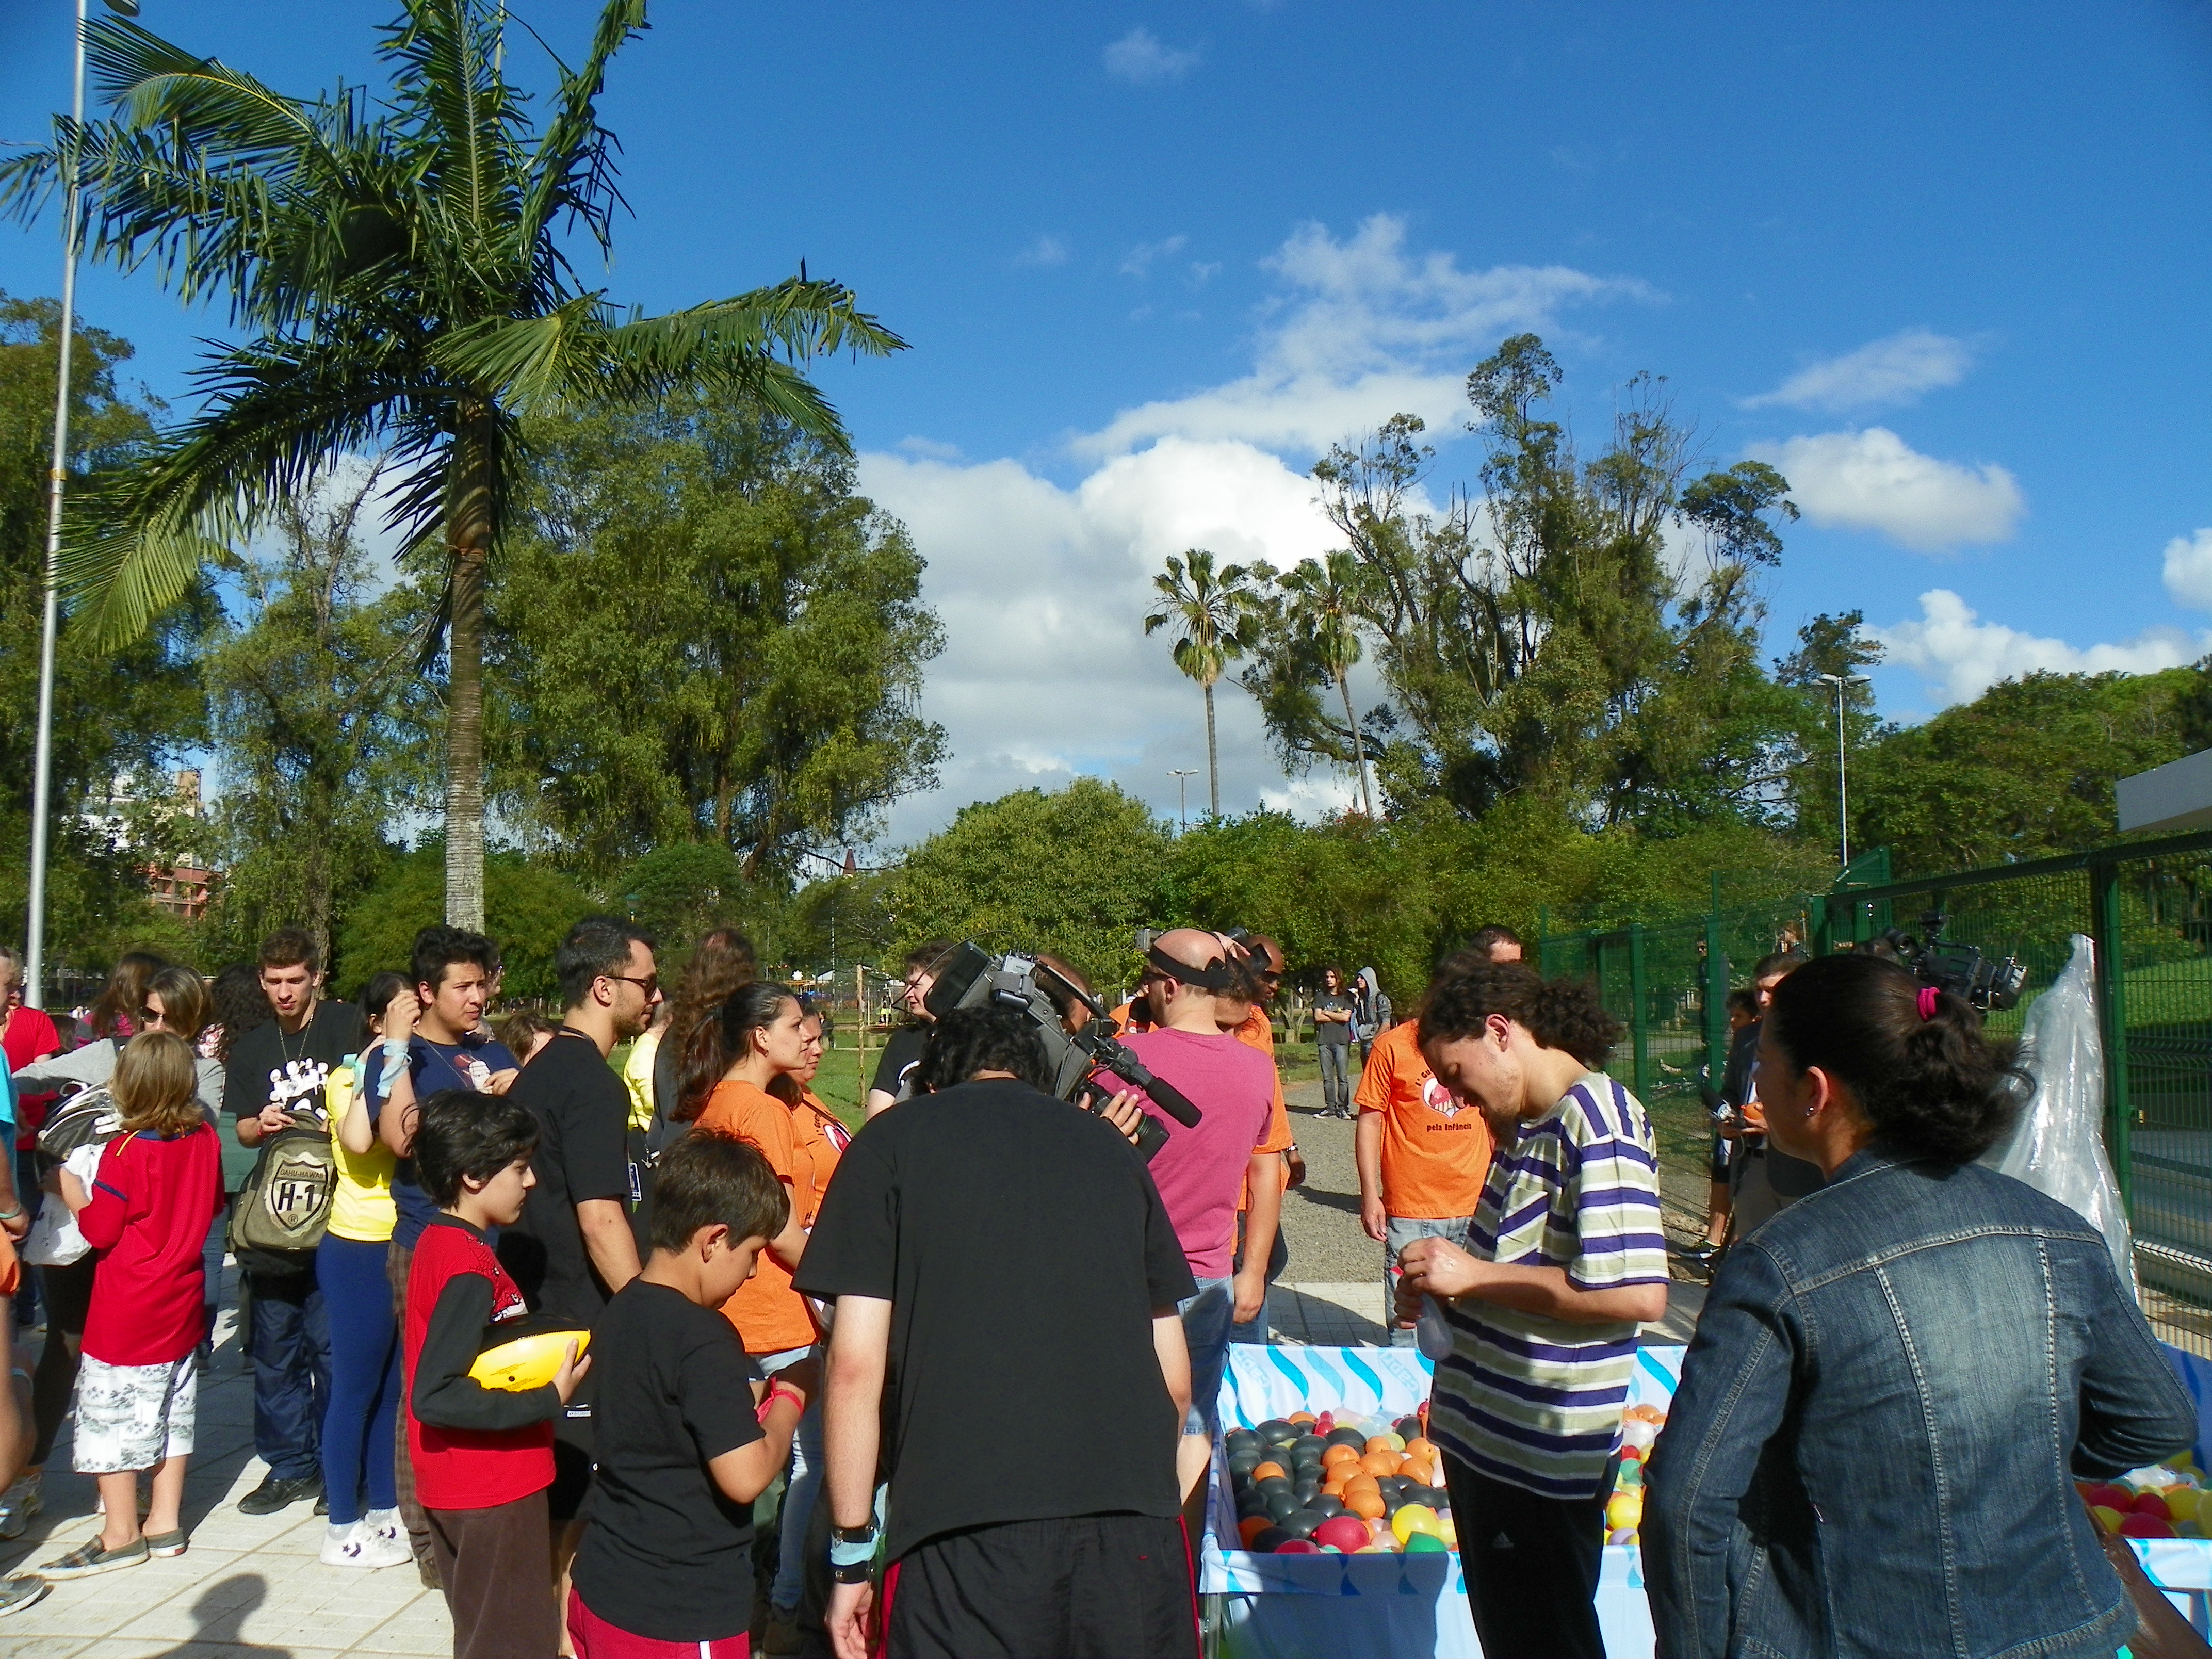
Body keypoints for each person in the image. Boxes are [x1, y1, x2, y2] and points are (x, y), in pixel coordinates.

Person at [1644, 954, 2199, 1659]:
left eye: (1764, 1065)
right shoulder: (2054, 1229)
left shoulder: (1780, 1262)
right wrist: (2007, 1463)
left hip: (1858, 1631)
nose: (1754, 1084)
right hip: (2062, 1626)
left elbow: (1688, 1499)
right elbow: (2154, 1418)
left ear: (1814, 1090)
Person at [798, 1006, 1200, 1659]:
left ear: (932, 1083)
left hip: (961, 1528)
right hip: (1132, 1530)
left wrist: (849, 1554)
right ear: (1039, 1078)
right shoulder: (1110, 1149)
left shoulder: (891, 1142)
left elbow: (852, 1366)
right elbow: (1174, 1381)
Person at [1396, 963, 1668, 1659]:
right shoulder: (1529, 1124)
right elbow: (1523, 1270)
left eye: (1456, 1075)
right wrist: (1445, 1292)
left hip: (1538, 1458)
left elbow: (1637, 1292)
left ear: (1499, 1032)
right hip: (1489, 1444)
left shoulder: (1596, 1121)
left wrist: (1475, 1276)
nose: (1457, 1097)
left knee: (1547, 1641)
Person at [570, 1130, 811, 1659]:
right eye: (752, 1253)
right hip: (677, 1613)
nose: (753, 1271)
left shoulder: (622, 1308)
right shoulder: (703, 1337)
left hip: (603, 1586)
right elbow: (745, 1477)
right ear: (714, 1239)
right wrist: (792, 1395)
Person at [7, 963, 224, 1537]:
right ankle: (30, 1474)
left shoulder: (198, 1076)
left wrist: (98, 1158)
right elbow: (28, 1076)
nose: (156, 1028)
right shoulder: (113, 1054)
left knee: (140, 1381)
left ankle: (131, 1504)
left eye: (171, 1020)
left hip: (133, 1249)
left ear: (193, 1024)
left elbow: (189, 1128)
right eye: (148, 1016)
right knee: (67, 1346)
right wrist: (20, 1105)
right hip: (92, 1240)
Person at [405, 1088, 589, 1659]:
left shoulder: (442, 1242)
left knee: (486, 1633)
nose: (531, 1181)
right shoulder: (468, 1267)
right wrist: (547, 1398)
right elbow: (436, 1393)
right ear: (473, 1176)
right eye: (519, 1167)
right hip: (490, 1487)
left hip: (465, 1483)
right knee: (513, 1642)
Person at [498, 918, 657, 1553]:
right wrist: (649, 1312)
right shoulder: (592, 1082)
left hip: (534, 1300)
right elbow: (600, 1217)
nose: (655, 996)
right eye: (647, 983)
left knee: (553, 1500)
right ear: (603, 987)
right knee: (576, 1513)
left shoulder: (540, 1069)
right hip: (576, 1313)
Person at [693, 982, 836, 1650]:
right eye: (793, 1024)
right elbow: (777, 1225)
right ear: (760, 1036)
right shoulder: (763, 1109)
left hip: (731, 1306)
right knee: (811, 1461)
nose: (805, 1035)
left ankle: (741, 1592)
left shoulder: (720, 1100)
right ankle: (785, 1601)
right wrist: (835, 1284)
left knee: (741, 1458)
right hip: (777, 1310)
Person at [1119, 928, 1284, 1486]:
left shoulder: (1125, 1062)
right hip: (1210, 1277)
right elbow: (1266, 1170)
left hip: (1129, 1274)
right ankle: (1187, 1538)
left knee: (1120, 1417)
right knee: (1194, 1423)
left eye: (1147, 980)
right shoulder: (1257, 1069)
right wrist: (1254, 1271)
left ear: (1168, 985)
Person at [225, 928, 356, 1515]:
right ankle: (289, 1466)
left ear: (316, 978)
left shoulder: (345, 1026)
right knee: (275, 1350)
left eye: (295, 980)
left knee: (332, 1350)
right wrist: (263, 1122)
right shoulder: (254, 1046)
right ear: (262, 981)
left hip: (339, 1214)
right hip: (275, 1220)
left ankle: (337, 1466)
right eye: (274, 981)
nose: (284, 991)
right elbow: (242, 1128)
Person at [317, 973, 414, 1570]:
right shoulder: (345, 1078)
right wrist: (386, 1060)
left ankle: (384, 1509)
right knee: (354, 1390)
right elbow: (368, 1141)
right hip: (356, 1247)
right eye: (402, 1013)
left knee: (393, 1390)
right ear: (376, 1021)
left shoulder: (412, 1073)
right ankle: (340, 1526)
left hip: (401, 1243)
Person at [1355, 950, 1497, 1346]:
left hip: (1475, 1203)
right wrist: (1370, 1194)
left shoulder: (1484, 1044)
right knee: (1409, 1327)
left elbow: (1494, 1118)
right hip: (1412, 1208)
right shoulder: (1393, 1046)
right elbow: (1370, 1121)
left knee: (1473, 1325)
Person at [1721, 949, 1820, 1241]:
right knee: (1755, 1248)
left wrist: (1777, 1125)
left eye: (1773, 991)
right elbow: (1731, 1090)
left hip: (1802, 1168)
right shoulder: (1746, 1037)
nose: (1763, 1000)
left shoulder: (1818, 1037)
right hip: (1752, 1163)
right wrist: (1726, 1118)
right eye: (1758, 990)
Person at [1681, 986, 1758, 1265]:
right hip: (1736, 1132)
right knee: (1723, 1174)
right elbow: (1731, 1089)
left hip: (1767, 1145)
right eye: (1731, 1016)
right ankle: (1715, 1244)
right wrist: (1723, 1114)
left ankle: (1731, 1252)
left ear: (1756, 1018)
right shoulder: (1743, 1044)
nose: (1733, 1022)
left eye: (1739, 1016)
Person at [864, 941, 954, 1117]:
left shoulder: (978, 1040)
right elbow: (876, 1118)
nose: (907, 993)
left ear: (943, 986)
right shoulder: (902, 1041)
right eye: (908, 984)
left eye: (916, 985)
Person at [1312, 965, 1356, 1118]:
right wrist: (1335, 1016)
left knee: (1343, 1077)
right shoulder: (1320, 997)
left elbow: (1346, 1018)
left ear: (1338, 978)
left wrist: (1326, 1012)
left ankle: (1343, 1107)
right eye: (1327, 977)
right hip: (1324, 1041)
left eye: (1332, 977)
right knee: (1327, 1078)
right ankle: (1330, 1107)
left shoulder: (1347, 997)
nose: (1329, 980)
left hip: (1341, 1041)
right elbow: (1318, 1017)